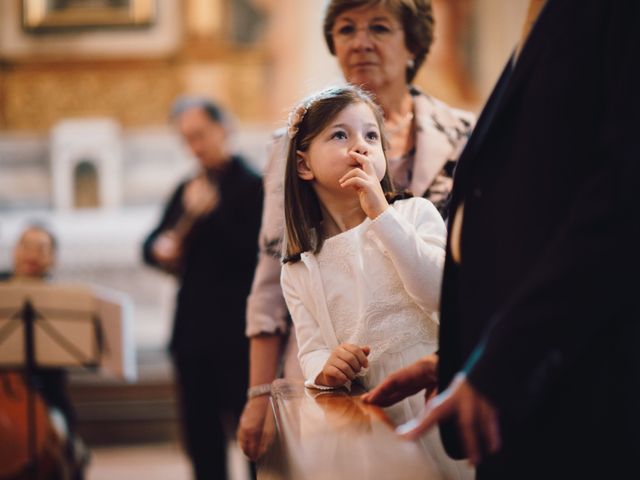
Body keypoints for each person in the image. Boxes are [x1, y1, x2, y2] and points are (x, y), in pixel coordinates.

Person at [362, 0, 640, 478]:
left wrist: (505, 359)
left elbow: (620, 200)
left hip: (579, 384)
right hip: (523, 375)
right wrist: (467, 349)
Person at [238, 0, 475, 460]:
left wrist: (382, 213)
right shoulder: (301, 254)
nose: (361, 41)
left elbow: (453, 284)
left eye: (379, 27)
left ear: (414, 43)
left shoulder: (458, 145)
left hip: (437, 373)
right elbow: (278, 292)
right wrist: (265, 390)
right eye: (346, 29)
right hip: (354, 399)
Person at [280, 84, 472, 479]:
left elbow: (439, 294)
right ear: (303, 165)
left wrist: (382, 216)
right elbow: (312, 350)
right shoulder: (300, 266)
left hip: (431, 391)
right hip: (367, 408)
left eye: (371, 136)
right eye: (340, 135)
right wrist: (325, 370)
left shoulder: (415, 214)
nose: (361, 145)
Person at [142, 97, 263, 479]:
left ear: (223, 128)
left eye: (199, 135)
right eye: (186, 139)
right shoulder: (188, 187)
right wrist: (159, 249)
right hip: (192, 333)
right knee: (202, 442)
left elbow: (257, 256)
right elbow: (150, 245)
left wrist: (214, 215)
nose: (194, 147)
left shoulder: (253, 186)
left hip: (239, 335)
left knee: (254, 443)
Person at [1, 224, 89, 479]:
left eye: (41, 248)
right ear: (14, 252)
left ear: (53, 259)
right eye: (25, 246)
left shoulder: (63, 303)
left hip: (46, 398)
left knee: (59, 439)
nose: (32, 254)